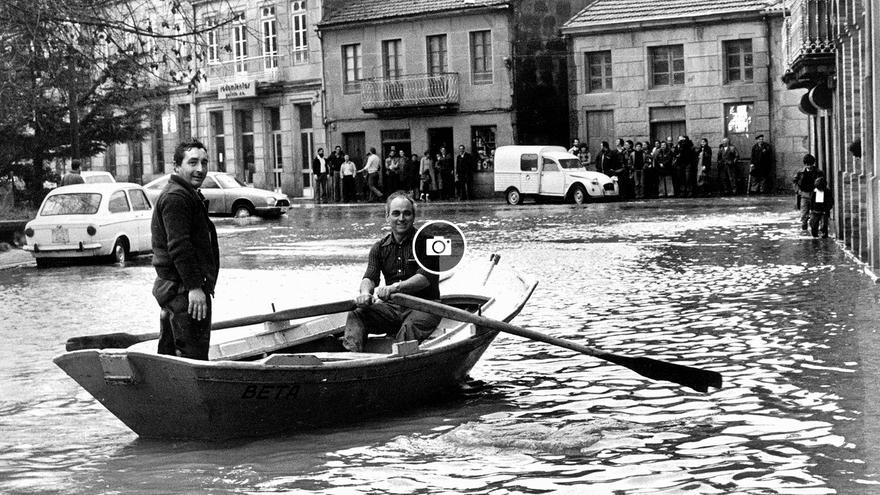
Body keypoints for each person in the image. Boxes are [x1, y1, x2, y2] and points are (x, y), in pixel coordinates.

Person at [341, 192, 442, 352]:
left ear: (414, 217)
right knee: (357, 314)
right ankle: (352, 357)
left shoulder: (431, 242)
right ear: (387, 216)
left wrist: (395, 288)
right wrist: (365, 293)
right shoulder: (378, 247)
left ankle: (394, 361)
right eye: (396, 213)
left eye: (407, 213)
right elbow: (370, 276)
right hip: (393, 309)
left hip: (426, 307)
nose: (401, 218)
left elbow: (425, 278)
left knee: (408, 329)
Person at [151, 139, 219, 361]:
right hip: (183, 292)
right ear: (177, 166)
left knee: (172, 358)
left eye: (204, 162)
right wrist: (195, 287)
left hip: (177, 291)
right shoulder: (176, 197)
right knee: (192, 359)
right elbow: (179, 246)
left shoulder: (186, 193)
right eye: (193, 162)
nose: (200, 169)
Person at [795, 154, 821, 231]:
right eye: (807, 165)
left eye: (810, 164)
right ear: (805, 164)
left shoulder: (818, 172)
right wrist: (798, 190)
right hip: (804, 194)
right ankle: (804, 226)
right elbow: (795, 182)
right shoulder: (800, 172)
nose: (809, 166)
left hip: (815, 194)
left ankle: (814, 228)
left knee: (815, 213)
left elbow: (821, 182)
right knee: (804, 214)